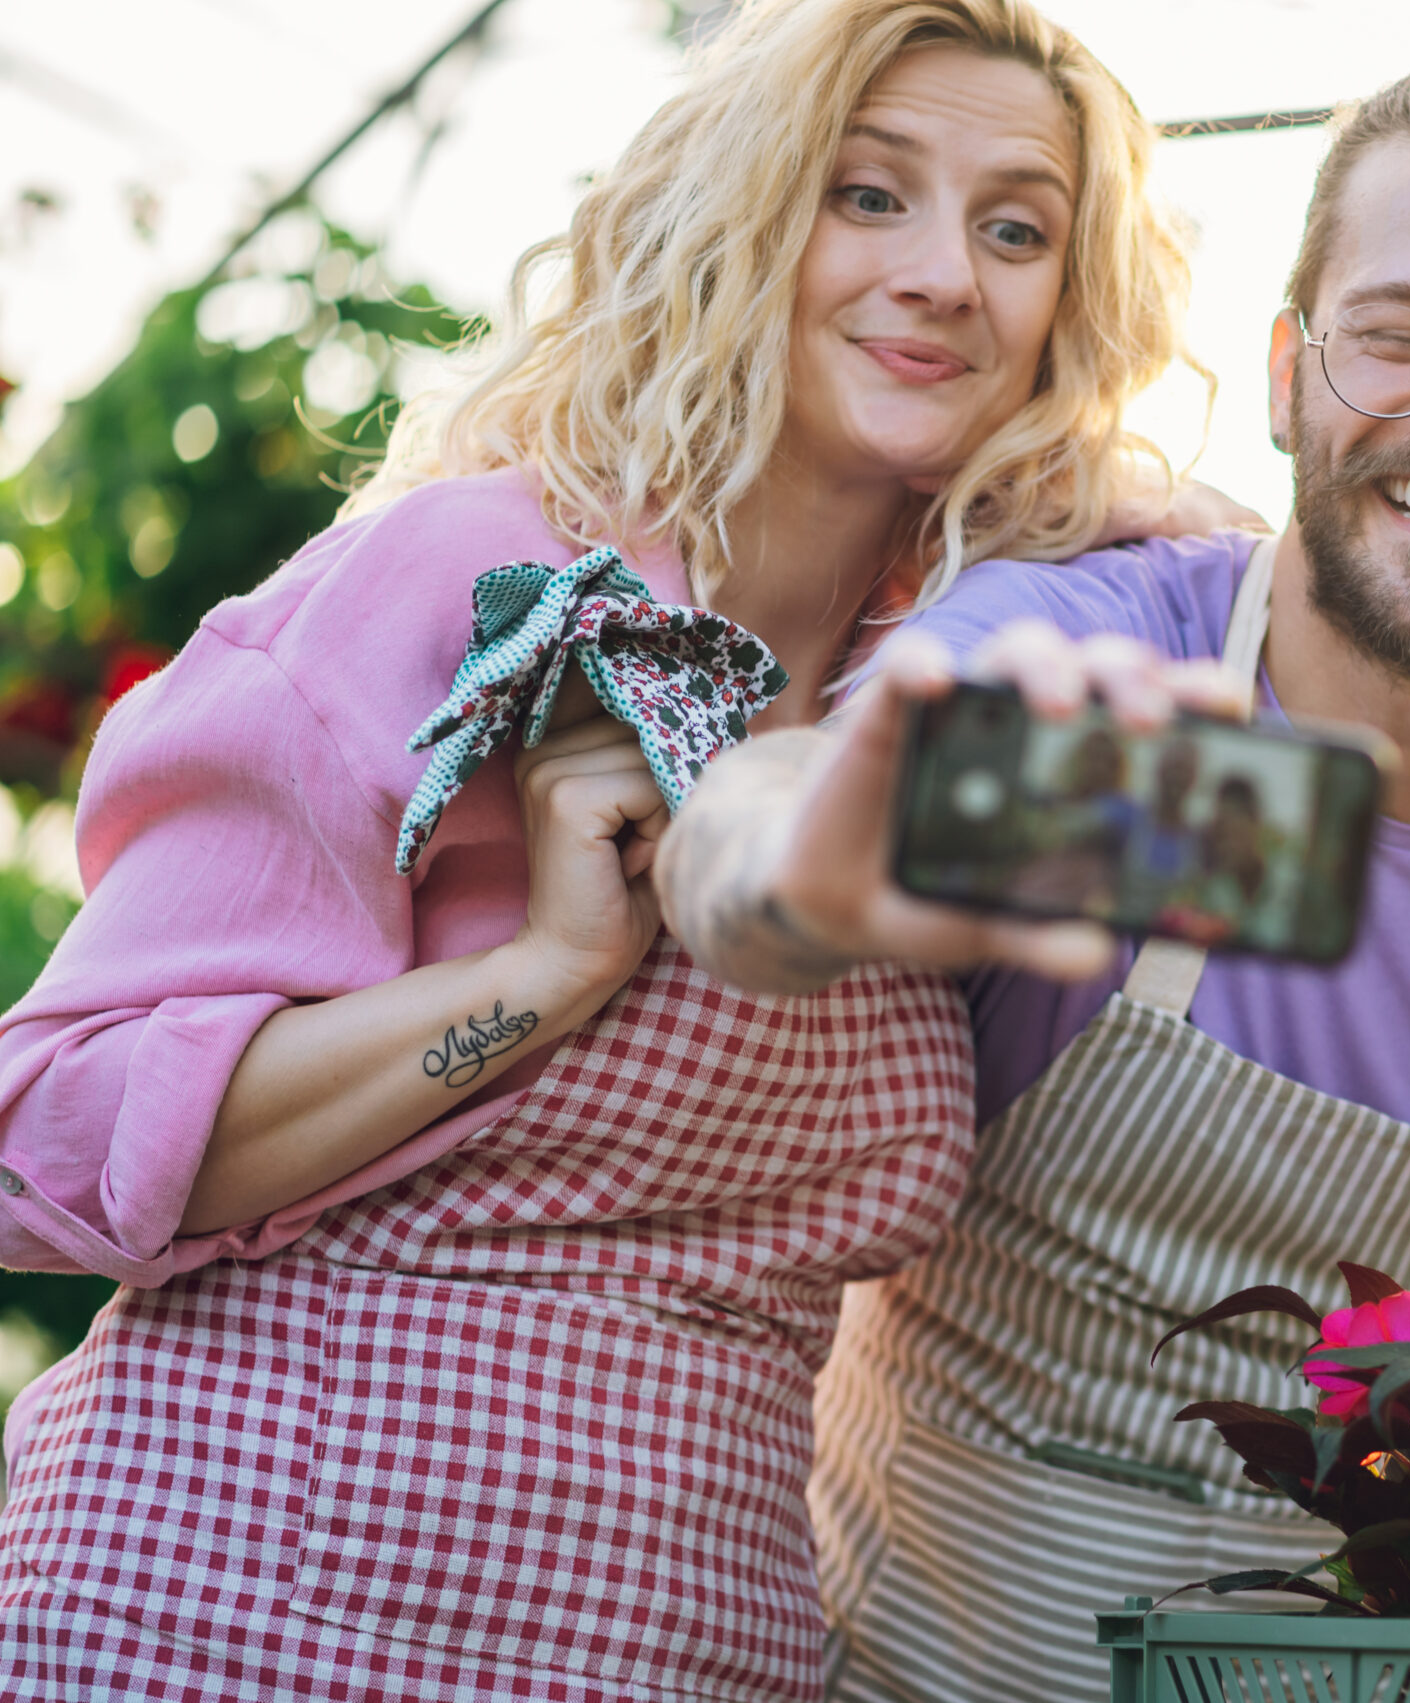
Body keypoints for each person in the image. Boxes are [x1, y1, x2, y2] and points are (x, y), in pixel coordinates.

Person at [0, 2, 1238, 1697]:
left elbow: (1277, 727)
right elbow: (42, 1151)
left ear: (1066, 315)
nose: (948, 272)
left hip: (688, 1645)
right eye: (869, 196)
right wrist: (545, 973)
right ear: (736, 221)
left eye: (1016, 228)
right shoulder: (465, 583)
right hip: (238, 1607)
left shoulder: (960, 699)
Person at [660, 42, 1410, 1700]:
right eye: (1398, 335)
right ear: (1290, 373)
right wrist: (798, 861)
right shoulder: (1100, 668)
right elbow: (762, 848)